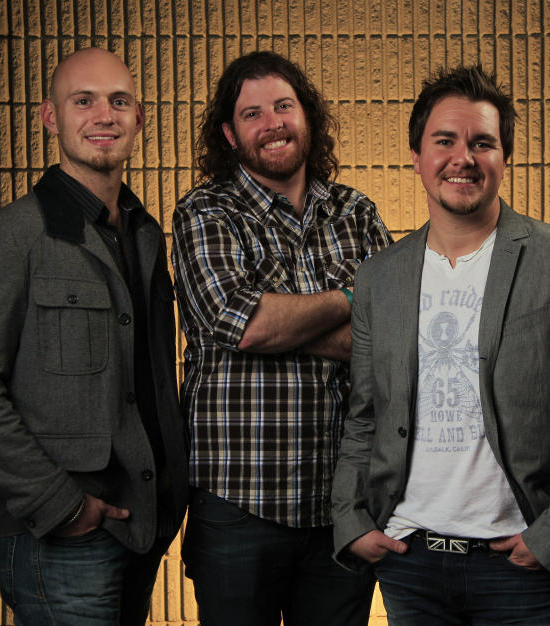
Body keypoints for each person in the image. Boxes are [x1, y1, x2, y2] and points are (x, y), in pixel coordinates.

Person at [330, 65, 550, 625]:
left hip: (523, 565)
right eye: (444, 141)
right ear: (418, 155)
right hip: (411, 560)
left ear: (505, 157)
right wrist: (351, 520)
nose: (463, 158)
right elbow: (365, 414)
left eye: (482, 143)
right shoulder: (381, 277)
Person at [0, 48, 188, 625]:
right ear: (51, 117)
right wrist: (60, 504)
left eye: (119, 101)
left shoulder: (145, 234)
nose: (104, 115)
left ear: (140, 117)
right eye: (83, 100)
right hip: (64, 537)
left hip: (141, 528)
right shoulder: (12, 237)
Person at [171, 51, 392, 625]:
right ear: (229, 132)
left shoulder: (356, 213)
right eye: (252, 113)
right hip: (237, 504)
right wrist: (348, 300)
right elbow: (241, 324)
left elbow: (390, 337)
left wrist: (282, 323)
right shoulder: (204, 211)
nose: (272, 122)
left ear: (308, 116)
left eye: (284, 105)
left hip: (340, 505)